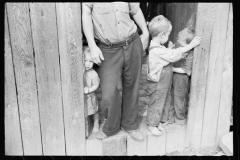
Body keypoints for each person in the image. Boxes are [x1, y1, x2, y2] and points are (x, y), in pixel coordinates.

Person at [82, 2, 149, 141]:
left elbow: (135, 11)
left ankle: (130, 125)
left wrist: (146, 32)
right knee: (109, 92)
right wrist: (92, 46)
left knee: (132, 86)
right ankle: (111, 127)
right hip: (108, 48)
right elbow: (86, 15)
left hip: (132, 43)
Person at [146, 15, 201, 136]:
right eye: (168, 34)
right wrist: (190, 46)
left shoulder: (158, 47)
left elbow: (168, 54)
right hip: (158, 84)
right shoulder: (156, 50)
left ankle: (159, 120)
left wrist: (169, 49)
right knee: (156, 103)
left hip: (163, 82)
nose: (169, 37)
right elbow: (174, 54)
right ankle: (151, 124)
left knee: (163, 101)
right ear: (162, 35)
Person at [171, 27, 195, 125]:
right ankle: (173, 115)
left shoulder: (192, 55)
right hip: (176, 77)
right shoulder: (184, 49)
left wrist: (172, 69)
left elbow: (186, 70)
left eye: (182, 45)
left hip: (182, 79)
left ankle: (180, 118)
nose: (181, 47)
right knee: (174, 96)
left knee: (180, 98)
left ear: (190, 45)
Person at [83, 46, 100, 138]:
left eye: (91, 61)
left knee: (94, 110)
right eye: (85, 60)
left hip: (91, 96)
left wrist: (89, 90)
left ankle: (96, 123)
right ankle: (86, 126)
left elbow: (96, 85)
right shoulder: (80, 71)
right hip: (83, 99)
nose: (88, 64)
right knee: (85, 112)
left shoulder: (93, 74)